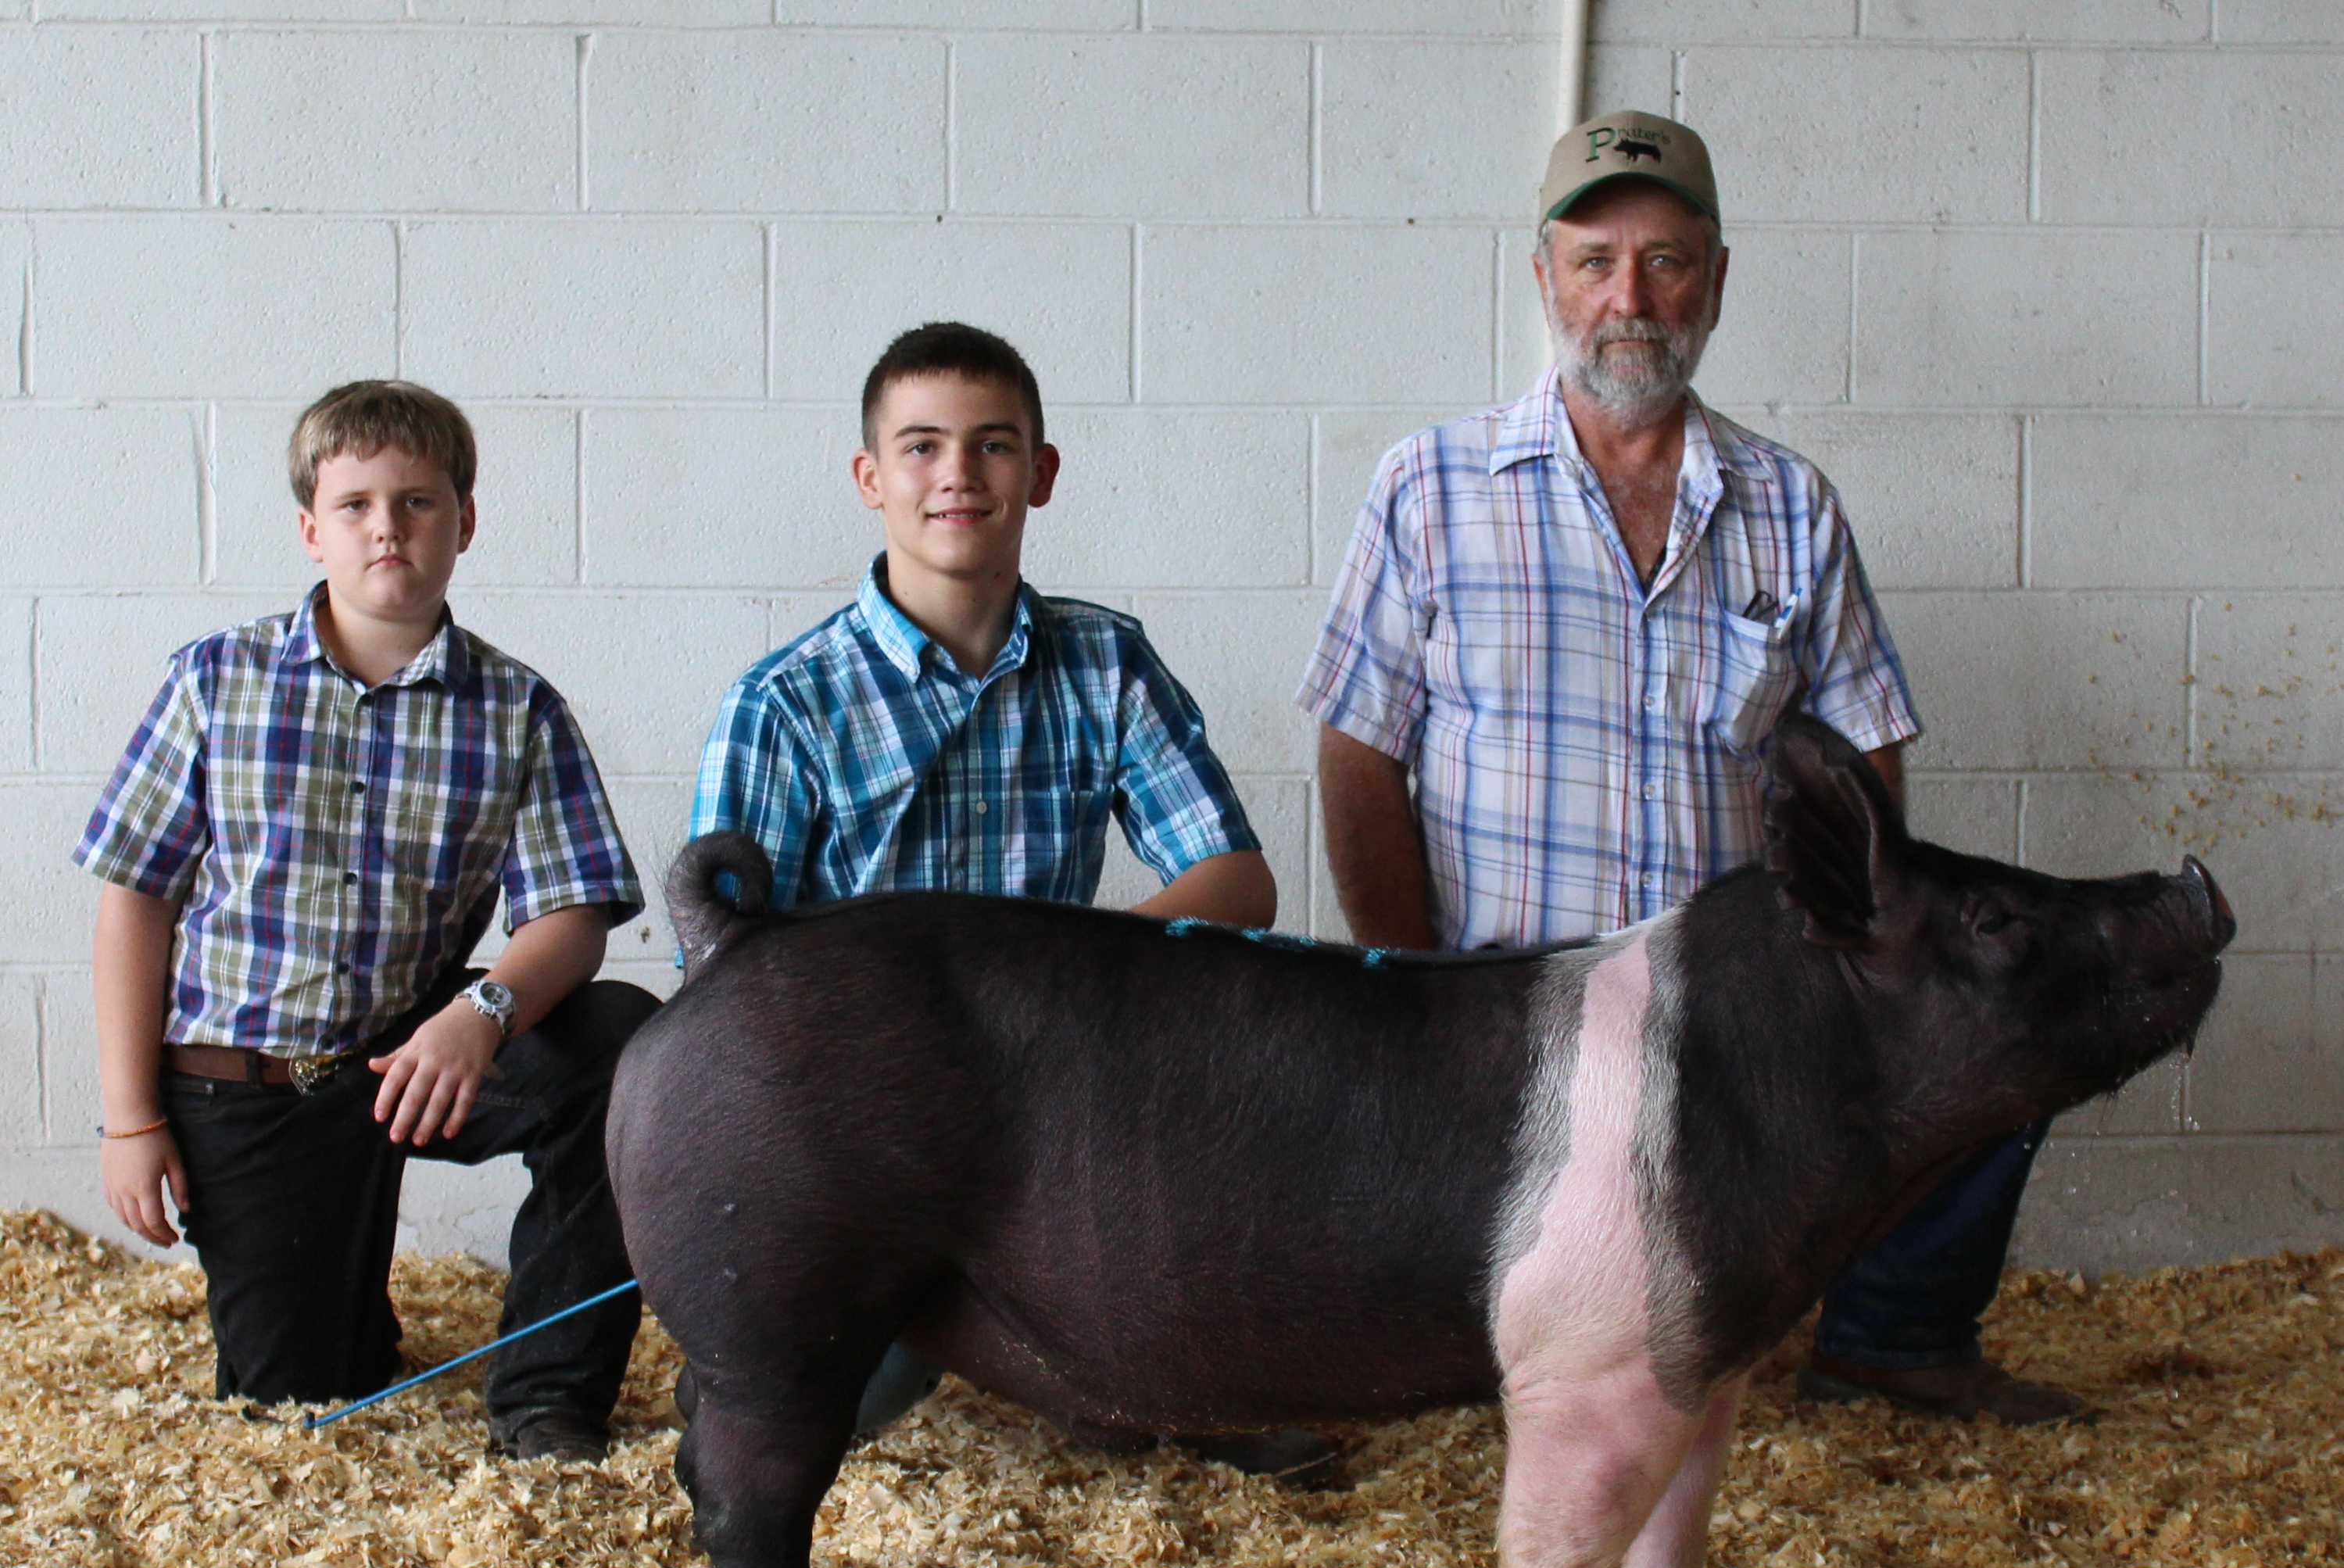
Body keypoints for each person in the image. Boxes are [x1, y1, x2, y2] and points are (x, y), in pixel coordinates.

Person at [1298, 112, 2081, 1427]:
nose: (1629, 297)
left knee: (2025, 1009)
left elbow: (1863, 772)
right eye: (1595, 259)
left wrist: (1863, 977)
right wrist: (1410, 991)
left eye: (1666, 261)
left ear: (1717, 281)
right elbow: (1358, 754)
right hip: (1504, 1011)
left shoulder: (1789, 504)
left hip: (1731, 1019)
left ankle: (1890, 1337)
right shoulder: (1429, 489)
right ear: (1543, 276)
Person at [690, 321, 1324, 1468]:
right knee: (838, 1403)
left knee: (1241, 1046)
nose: (957, 477)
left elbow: (1237, 880)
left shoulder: (1106, 663)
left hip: (1051, 1078)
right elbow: (723, 982)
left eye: (992, 447)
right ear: (870, 478)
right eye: (922, 447)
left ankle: (1147, 1372)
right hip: (865, 1114)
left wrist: (1057, 977)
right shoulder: (783, 704)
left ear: (1040, 472)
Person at [79, 380, 658, 1464]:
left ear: (464, 522)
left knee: (625, 1042)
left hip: (419, 1061)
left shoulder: (518, 709)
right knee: (304, 1392)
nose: (386, 527)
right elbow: (134, 896)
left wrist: (482, 1013)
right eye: (354, 505)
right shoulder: (217, 683)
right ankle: (337, 1299)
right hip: (250, 1085)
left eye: (417, 501)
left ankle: (545, 1402)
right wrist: (129, 1118)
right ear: (312, 528)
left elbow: (574, 914)